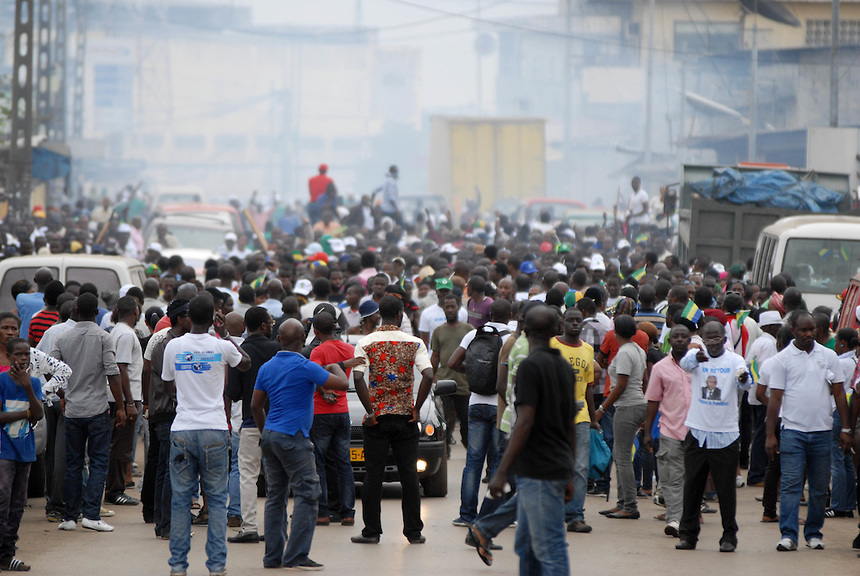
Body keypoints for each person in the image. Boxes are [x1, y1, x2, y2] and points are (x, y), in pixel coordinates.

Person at [161, 295, 251, 576]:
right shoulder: (222, 346)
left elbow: (166, 385)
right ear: (214, 318)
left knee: (180, 500)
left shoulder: (174, 346)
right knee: (216, 498)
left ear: (188, 316)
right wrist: (225, 336)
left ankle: (178, 566)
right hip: (214, 429)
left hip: (183, 429)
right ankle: (216, 566)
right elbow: (245, 363)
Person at [251, 318, 348, 570]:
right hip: (294, 437)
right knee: (308, 493)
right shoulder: (305, 366)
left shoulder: (266, 368)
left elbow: (256, 406)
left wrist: (266, 434)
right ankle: (295, 554)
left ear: (279, 339)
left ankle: (272, 557)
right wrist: (336, 365)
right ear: (303, 341)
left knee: (275, 497)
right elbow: (342, 385)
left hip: (271, 436)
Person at [488, 305, 578, 576]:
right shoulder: (564, 366)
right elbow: (570, 425)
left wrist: (501, 472)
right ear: (556, 330)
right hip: (553, 467)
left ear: (524, 330)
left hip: (539, 471)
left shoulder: (529, 366)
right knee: (526, 545)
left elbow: (524, 420)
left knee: (550, 548)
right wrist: (570, 472)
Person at [765, 311, 855, 552]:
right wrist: (770, 435)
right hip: (792, 432)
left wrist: (846, 428)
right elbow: (775, 398)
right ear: (793, 330)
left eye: (812, 329)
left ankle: (813, 533)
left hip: (823, 432)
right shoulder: (782, 360)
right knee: (791, 485)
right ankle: (788, 535)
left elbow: (839, 394)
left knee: (818, 488)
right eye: (803, 330)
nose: (809, 334)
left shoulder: (829, 356)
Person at [350, 295, 434, 545]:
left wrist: (371, 411)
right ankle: (413, 532)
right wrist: (417, 408)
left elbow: (357, 378)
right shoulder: (414, 343)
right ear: (400, 315)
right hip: (406, 417)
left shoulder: (366, 343)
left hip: (377, 420)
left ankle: (371, 532)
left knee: (372, 475)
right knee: (409, 475)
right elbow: (428, 374)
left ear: (378, 316)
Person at [52, 293, 128, 533]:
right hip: (97, 409)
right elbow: (112, 373)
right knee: (98, 462)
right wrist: (122, 407)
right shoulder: (104, 337)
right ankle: (92, 515)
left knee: (73, 464)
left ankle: (70, 517)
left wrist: (63, 394)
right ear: (97, 312)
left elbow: (50, 368)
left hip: (73, 410)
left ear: (74, 310)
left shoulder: (63, 337)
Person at [676, 320, 750, 552]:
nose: (712, 343)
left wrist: (742, 378)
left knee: (726, 490)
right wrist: (696, 356)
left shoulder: (734, 360)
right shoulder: (697, 357)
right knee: (692, 487)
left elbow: (747, 381)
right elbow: (684, 364)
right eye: (708, 338)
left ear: (724, 338)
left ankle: (729, 536)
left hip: (725, 435)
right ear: (702, 338)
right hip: (697, 432)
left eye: (716, 338)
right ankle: (688, 535)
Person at [448, 299, 512, 527]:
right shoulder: (510, 338)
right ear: (510, 315)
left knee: (473, 462)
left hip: (475, 403)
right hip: (500, 407)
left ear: (490, 314)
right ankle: (492, 515)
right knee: (498, 462)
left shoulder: (474, 334)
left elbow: (452, 362)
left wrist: (473, 370)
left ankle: (466, 515)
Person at [225, 306, 280, 544]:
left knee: (247, 475)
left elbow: (233, 393)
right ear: (265, 325)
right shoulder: (278, 350)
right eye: (271, 321)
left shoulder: (240, 352)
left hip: (250, 422)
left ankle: (249, 527)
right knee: (276, 477)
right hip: (278, 423)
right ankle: (276, 527)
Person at [309, 311, 364, 527]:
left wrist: (323, 392)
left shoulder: (317, 351)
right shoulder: (349, 349)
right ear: (335, 328)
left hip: (320, 412)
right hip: (342, 410)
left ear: (316, 331)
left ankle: (322, 512)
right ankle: (348, 513)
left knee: (320, 463)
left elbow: (314, 375)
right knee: (344, 464)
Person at [146, 298, 191, 540]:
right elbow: (169, 384)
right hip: (166, 413)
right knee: (168, 468)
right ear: (181, 318)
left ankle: (164, 522)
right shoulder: (167, 345)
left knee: (166, 467)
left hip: (170, 412)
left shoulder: (177, 342)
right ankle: (165, 524)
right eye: (190, 315)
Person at [643, 324, 693, 538]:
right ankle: (674, 518)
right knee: (672, 478)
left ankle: (688, 518)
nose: (680, 339)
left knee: (691, 479)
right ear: (669, 341)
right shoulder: (660, 368)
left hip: (696, 432)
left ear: (690, 339)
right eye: (676, 336)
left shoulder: (700, 365)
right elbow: (653, 400)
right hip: (670, 430)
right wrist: (647, 432)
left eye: (684, 336)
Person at [596, 314, 647, 520]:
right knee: (620, 455)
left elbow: (620, 385)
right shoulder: (638, 350)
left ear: (615, 331)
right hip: (638, 403)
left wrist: (602, 408)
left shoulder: (625, 353)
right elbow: (643, 379)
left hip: (627, 406)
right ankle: (622, 503)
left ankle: (630, 505)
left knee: (623, 458)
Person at [550, 307, 597, 533]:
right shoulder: (552, 346)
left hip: (581, 418)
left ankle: (575, 515)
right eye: (570, 320)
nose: (575, 324)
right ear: (563, 323)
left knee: (580, 467)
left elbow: (589, 388)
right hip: (554, 417)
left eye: (579, 320)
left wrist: (594, 417)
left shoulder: (588, 350)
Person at [0, 338, 45, 571]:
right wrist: (26, 412)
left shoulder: (34, 383)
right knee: (2, 499)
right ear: (8, 357)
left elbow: (38, 415)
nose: (24, 358)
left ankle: (7, 555)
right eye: (18, 354)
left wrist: (28, 386)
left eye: (27, 354)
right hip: (4, 450)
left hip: (25, 452)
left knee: (17, 504)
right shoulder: (1, 381)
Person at [104, 296, 144, 507]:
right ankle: (115, 491)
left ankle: (113, 488)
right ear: (135, 313)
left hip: (119, 397)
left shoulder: (117, 331)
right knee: (121, 447)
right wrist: (128, 403)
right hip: (124, 397)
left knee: (118, 446)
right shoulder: (126, 335)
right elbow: (121, 368)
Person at [430, 293, 474, 451]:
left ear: (458, 308)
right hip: (443, 383)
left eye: (452, 306)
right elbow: (435, 356)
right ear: (443, 308)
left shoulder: (469, 329)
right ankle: (445, 448)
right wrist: (431, 377)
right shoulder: (438, 331)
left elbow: (474, 355)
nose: (450, 309)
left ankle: (470, 448)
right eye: (447, 307)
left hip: (464, 382)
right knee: (445, 418)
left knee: (466, 420)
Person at [16, 267, 53, 339]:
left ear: (34, 280)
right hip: (43, 341)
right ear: (51, 280)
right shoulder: (52, 302)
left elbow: (20, 316)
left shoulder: (21, 298)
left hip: (24, 342)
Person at [626, 176, 651, 241]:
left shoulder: (643, 194)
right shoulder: (632, 195)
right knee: (633, 241)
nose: (634, 185)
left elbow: (646, 209)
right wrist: (629, 215)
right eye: (632, 183)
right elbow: (631, 209)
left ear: (639, 184)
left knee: (640, 241)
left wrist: (635, 215)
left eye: (636, 183)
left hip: (642, 223)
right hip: (634, 222)